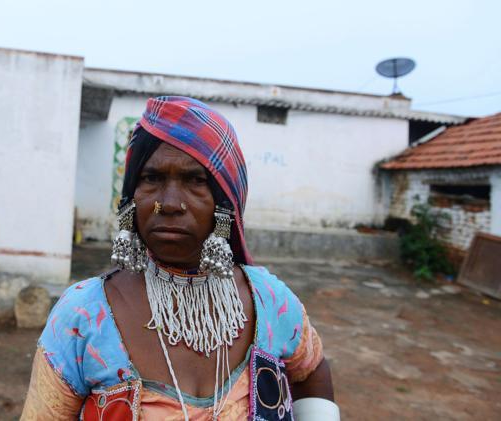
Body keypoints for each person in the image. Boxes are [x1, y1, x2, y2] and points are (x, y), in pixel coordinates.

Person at [21, 96, 338, 420]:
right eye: (152, 178)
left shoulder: (271, 302)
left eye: (195, 181)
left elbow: (312, 371)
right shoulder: (82, 315)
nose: (170, 203)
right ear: (131, 198)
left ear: (226, 202)